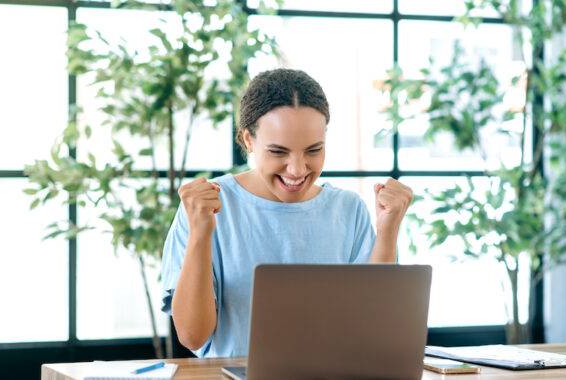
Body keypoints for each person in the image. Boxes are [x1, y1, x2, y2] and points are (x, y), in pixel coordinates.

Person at [160, 68, 413, 358]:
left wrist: (388, 231)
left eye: (313, 150)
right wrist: (201, 234)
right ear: (249, 140)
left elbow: (373, 327)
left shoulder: (348, 209)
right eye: (279, 152)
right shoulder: (209, 206)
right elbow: (193, 336)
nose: (297, 169)